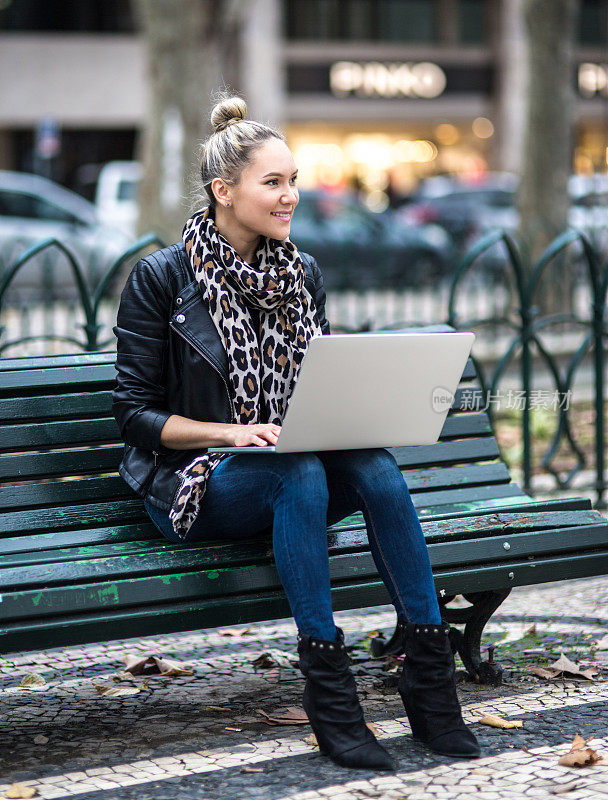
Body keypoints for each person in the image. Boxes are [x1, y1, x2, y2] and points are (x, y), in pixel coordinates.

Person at [112, 95, 480, 771]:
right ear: (224, 191)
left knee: (371, 462)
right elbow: (133, 417)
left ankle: (428, 679)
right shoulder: (163, 279)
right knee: (298, 471)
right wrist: (232, 433)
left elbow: (321, 382)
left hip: (288, 462)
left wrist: (356, 408)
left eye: (294, 180)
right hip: (195, 482)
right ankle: (331, 694)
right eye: (273, 183)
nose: (292, 197)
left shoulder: (299, 272)